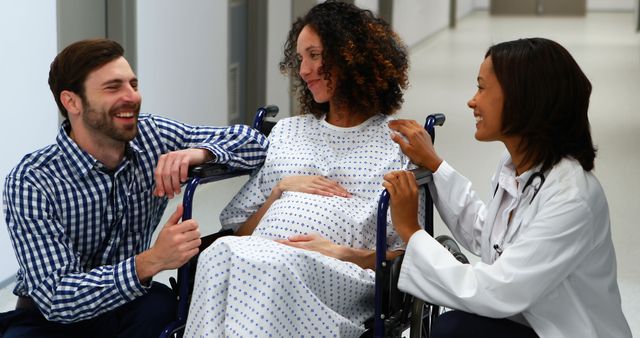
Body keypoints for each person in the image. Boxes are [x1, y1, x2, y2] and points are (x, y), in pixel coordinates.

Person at [0, 38, 268, 338]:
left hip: (129, 305)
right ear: (71, 101)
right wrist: (151, 261)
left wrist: (199, 153)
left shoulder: (151, 134)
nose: (132, 97)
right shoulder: (32, 180)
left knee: (162, 306)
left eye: (133, 84)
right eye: (113, 87)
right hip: (51, 319)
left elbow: (255, 142)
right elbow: (56, 295)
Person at [184, 2, 411, 336]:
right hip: (260, 259)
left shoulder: (396, 142)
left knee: (271, 267)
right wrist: (278, 191)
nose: (304, 71)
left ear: (353, 57)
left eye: (315, 56)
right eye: (300, 59)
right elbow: (240, 235)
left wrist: (339, 252)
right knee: (217, 253)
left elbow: (406, 255)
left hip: (337, 271)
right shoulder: (287, 132)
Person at [384, 38, 632, 338]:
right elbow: (490, 235)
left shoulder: (571, 197)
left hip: (567, 331)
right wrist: (436, 166)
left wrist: (412, 232)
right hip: (529, 322)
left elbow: (497, 290)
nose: (472, 101)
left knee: (454, 331)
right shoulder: (518, 168)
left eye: (482, 87)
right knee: (455, 327)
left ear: (523, 98)